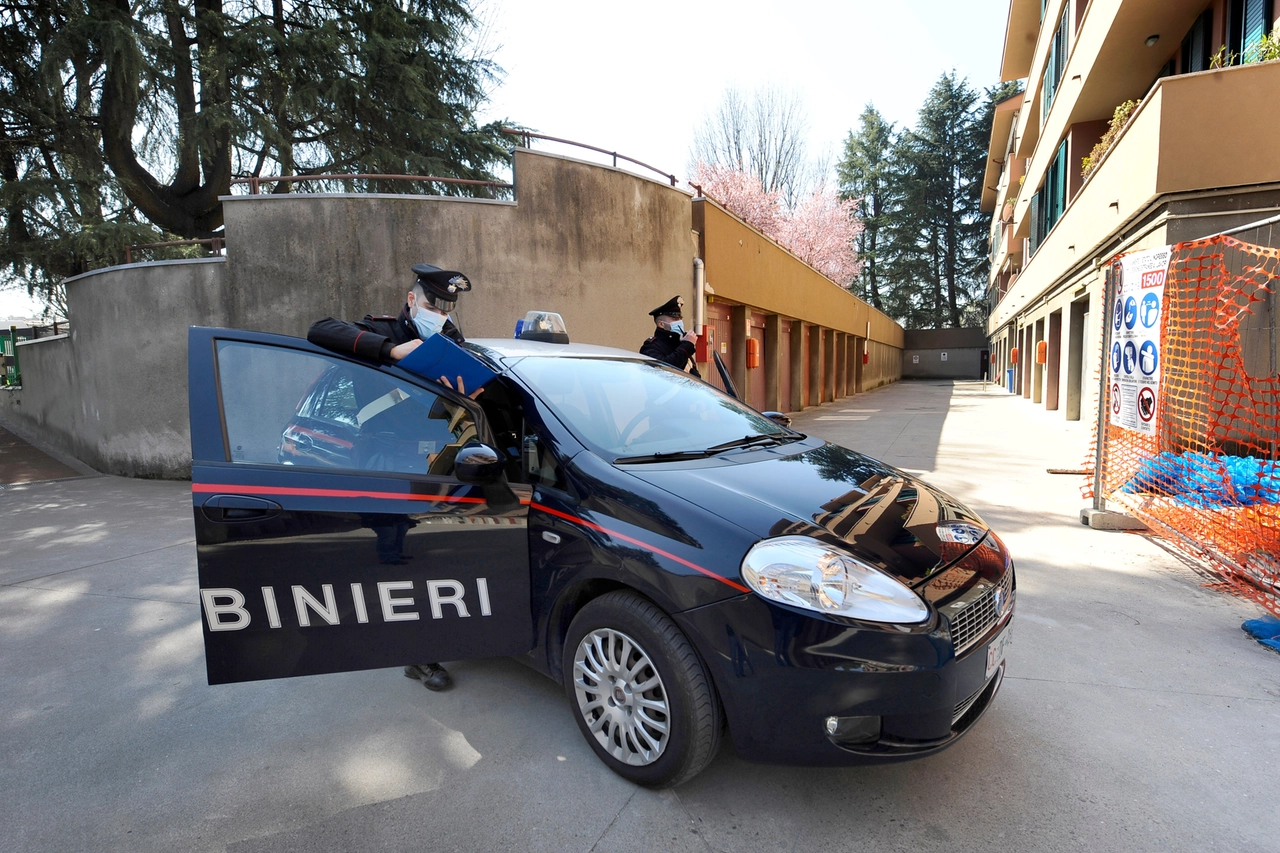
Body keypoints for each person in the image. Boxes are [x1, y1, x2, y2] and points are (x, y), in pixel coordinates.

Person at [307, 262, 474, 693]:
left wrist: (470, 397)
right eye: (433, 303)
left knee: (436, 554)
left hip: (438, 459)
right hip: (386, 459)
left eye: (447, 307)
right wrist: (389, 351)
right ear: (411, 299)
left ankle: (440, 632)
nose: (440, 313)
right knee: (396, 556)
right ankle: (415, 656)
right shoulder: (384, 330)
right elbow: (321, 330)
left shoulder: (453, 343)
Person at [640, 294, 700, 378]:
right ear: (661, 324)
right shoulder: (650, 346)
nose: (679, 322)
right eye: (675, 319)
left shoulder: (680, 344)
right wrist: (687, 346)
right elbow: (665, 369)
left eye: (680, 318)